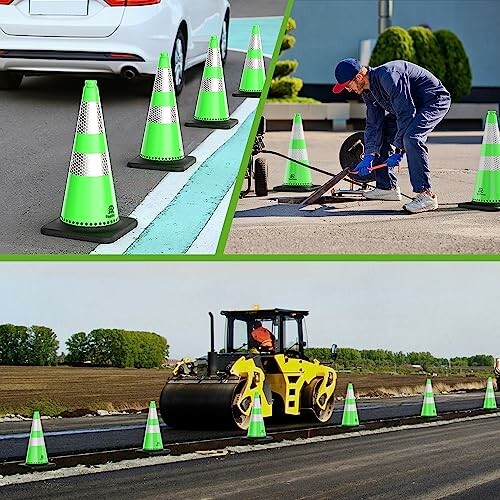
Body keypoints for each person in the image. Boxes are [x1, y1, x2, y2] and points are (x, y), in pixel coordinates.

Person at [333, 58, 451, 213]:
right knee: (381, 131)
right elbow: (374, 124)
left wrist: (399, 151)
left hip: (432, 102)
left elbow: (406, 113)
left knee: (412, 138)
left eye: (348, 85)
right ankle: (386, 187)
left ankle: (427, 195)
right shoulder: (367, 91)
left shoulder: (388, 76)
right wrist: (369, 154)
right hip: (410, 108)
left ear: (359, 77)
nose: (348, 90)